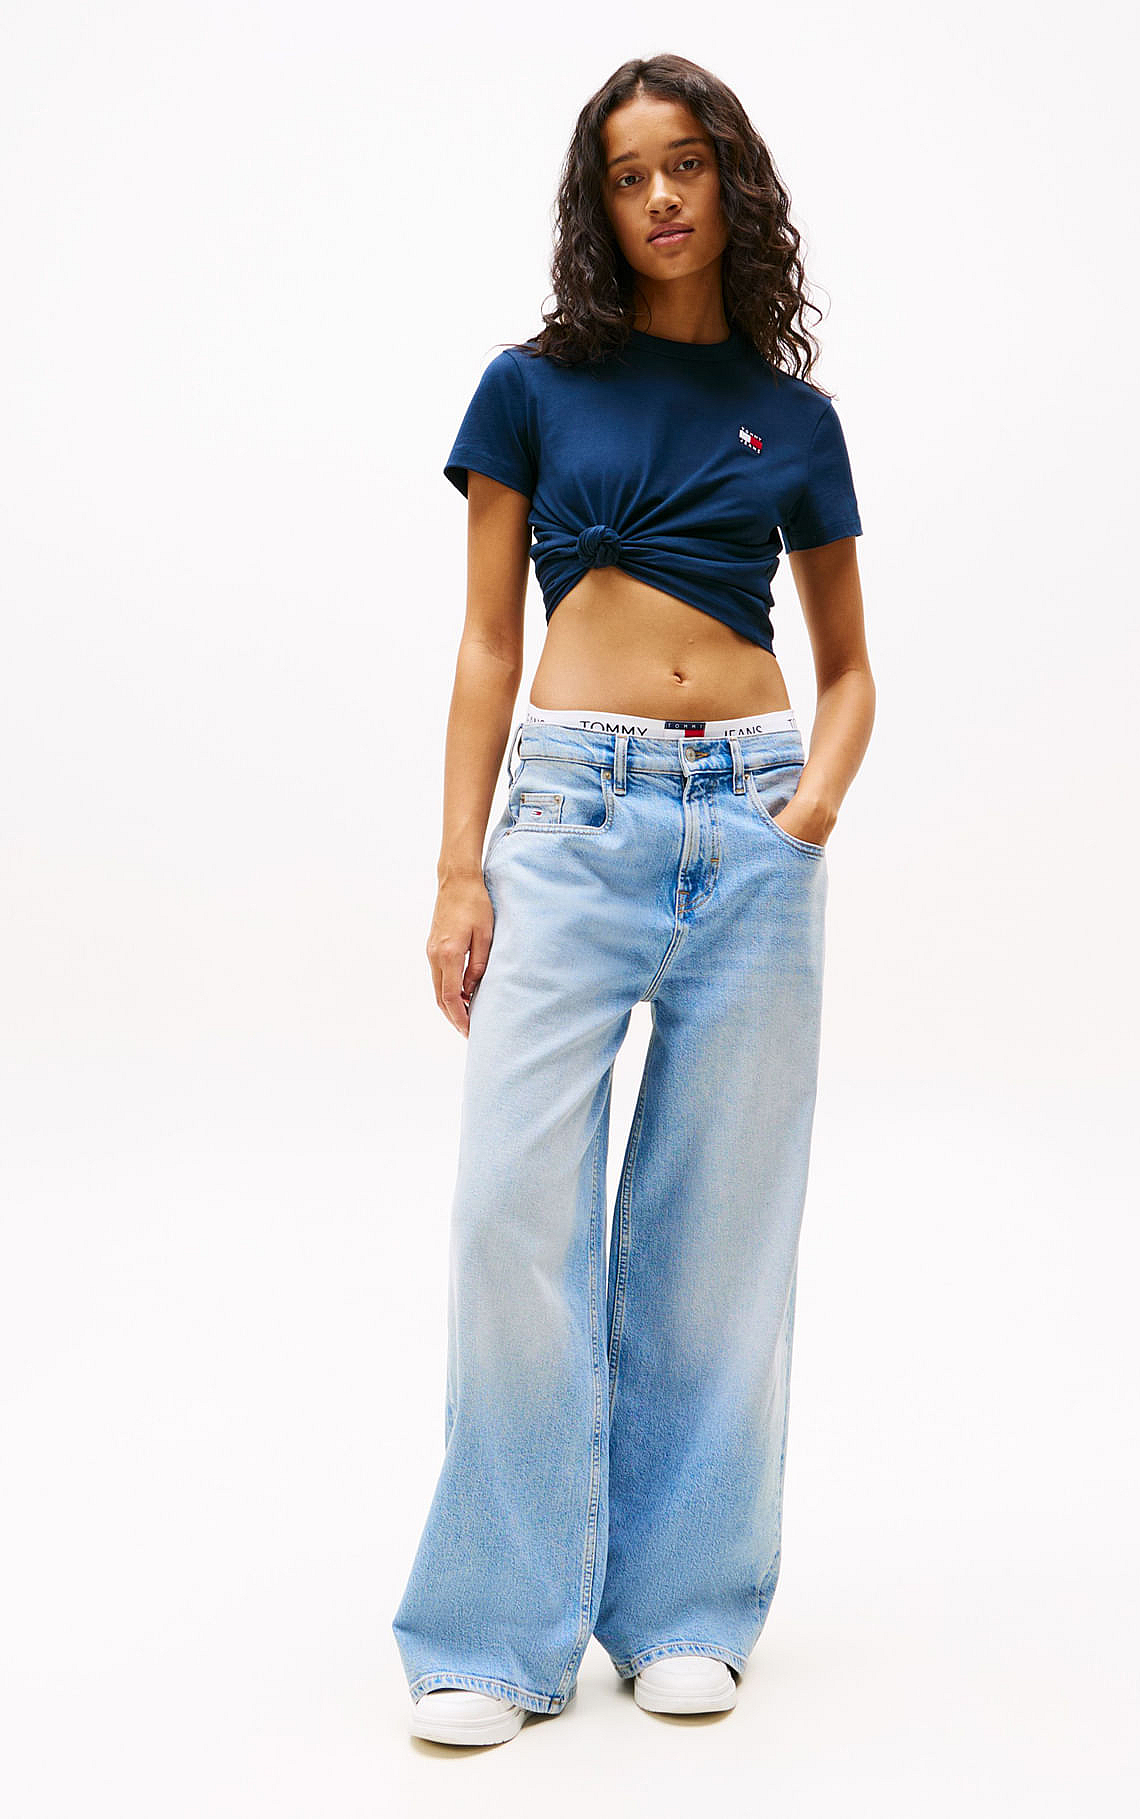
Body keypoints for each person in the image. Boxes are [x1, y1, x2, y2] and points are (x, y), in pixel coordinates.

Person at [393, 52, 876, 1748]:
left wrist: (807, 812)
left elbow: (851, 667)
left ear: (732, 182)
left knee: (717, 1233)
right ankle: (492, 1632)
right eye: (626, 174)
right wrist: (460, 865)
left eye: (686, 163)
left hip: (750, 825)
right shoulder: (532, 388)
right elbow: (486, 645)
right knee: (510, 1214)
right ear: (596, 206)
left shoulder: (792, 418)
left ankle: (684, 1608)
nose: (660, 195)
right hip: (572, 816)